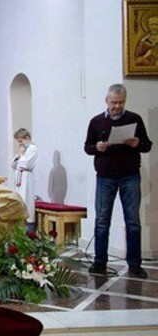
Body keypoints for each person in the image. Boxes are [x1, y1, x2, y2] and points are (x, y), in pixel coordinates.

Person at [84, 83, 153, 279]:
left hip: (130, 175)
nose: (117, 106)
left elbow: (147, 145)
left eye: (121, 102)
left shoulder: (134, 119)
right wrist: (97, 147)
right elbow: (87, 147)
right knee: (102, 221)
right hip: (105, 176)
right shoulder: (96, 121)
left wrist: (137, 143)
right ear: (106, 101)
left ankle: (134, 264)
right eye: (113, 102)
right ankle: (99, 262)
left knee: (132, 222)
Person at [11, 128, 38, 232]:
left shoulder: (33, 149)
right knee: (19, 201)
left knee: (27, 202)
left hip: (27, 178)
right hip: (20, 179)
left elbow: (26, 164)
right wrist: (19, 156)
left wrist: (22, 156)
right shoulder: (24, 150)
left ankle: (29, 229)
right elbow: (13, 165)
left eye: (21, 141)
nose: (20, 144)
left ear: (27, 138)